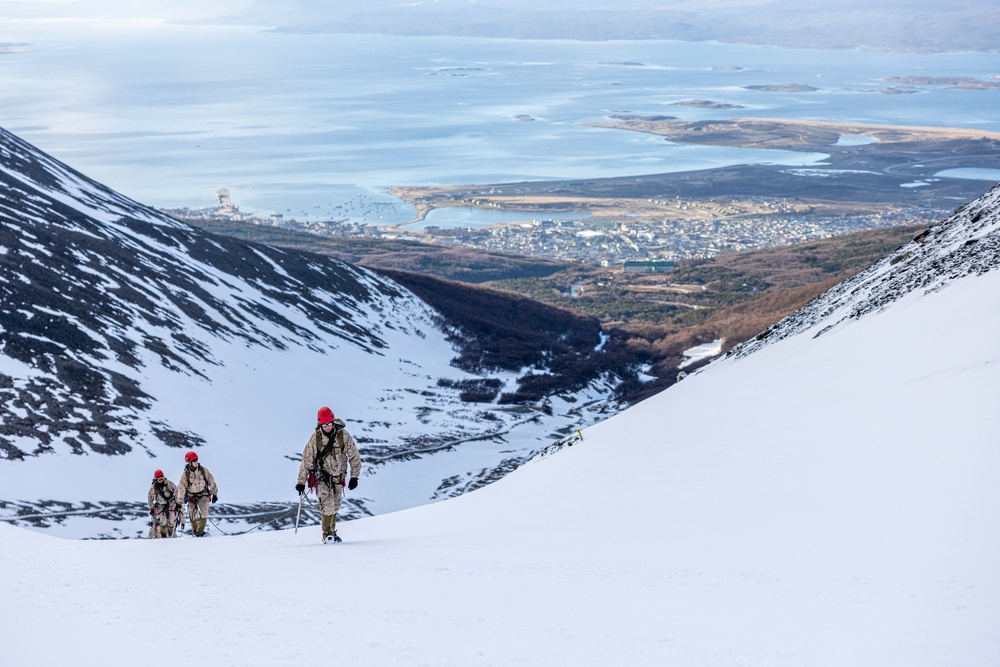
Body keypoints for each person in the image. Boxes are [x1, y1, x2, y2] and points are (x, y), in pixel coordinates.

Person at [295, 407, 362, 544]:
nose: (327, 427)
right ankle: (327, 534)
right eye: (324, 425)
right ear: (320, 424)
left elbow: (354, 456)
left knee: (336, 505)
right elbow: (307, 459)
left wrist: (354, 476)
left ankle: (332, 532)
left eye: (329, 424)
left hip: (339, 477)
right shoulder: (316, 438)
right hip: (321, 477)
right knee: (328, 505)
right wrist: (301, 482)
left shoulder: (343, 435)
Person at [176, 451, 218, 537]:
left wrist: (214, 494)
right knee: (193, 514)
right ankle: (195, 532)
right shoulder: (185, 474)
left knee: (204, 511)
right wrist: (180, 500)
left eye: (197, 459)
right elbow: (181, 487)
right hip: (191, 496)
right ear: (189, 462)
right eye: (194, 460)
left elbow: (211, 481)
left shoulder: (203, 471)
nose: (196, 462)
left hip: (203, 494)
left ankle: (200, 532)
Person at [147, 469, 182, 538]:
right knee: (163, 522)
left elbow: (177, 492)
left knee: (172, 521)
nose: (160, 478)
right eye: (158, 477)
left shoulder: (170, 484)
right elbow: (150, 498)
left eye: (161, 476)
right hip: (160, 506)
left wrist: (177, 502)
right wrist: (152, 507)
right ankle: (164, 537)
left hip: (171, 504)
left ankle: (171, 535)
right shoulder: (153, 487)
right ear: (155, 478)